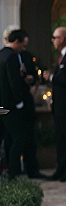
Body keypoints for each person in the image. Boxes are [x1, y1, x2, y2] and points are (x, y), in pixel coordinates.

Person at [0, 29, 38, 178]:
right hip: (10, 106)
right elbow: (13, 83)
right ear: (17, 42)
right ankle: (13, 173)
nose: (24, 49)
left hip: (1, 106)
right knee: (19, 138)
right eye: (23, 45)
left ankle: (8, 170)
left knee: (5, 136)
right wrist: (19, 102)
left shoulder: (1, 54)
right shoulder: (12, 57)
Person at [45, 26, 66, 181]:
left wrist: (51, 77)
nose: (53, 41)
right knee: (61, 140)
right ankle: (61, 170)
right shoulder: (63, 56)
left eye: (54, 38)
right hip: (60, 107)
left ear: (62, 39)